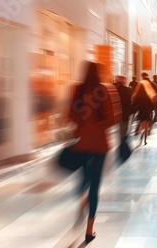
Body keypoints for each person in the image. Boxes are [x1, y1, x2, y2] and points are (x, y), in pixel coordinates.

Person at [67, 61, 116, 244]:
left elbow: (69, 117)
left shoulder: (77, 90)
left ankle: (82, 201)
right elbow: (112, 119)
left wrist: (81, 126)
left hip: (80, 145)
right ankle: (89, 229)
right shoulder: (105, 90)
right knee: (95, 185)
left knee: (84, 179)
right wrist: (98, 125)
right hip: (100, 146)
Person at [132, 73, 157, 145]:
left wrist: (134, 110)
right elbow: (153, 102)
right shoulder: (149, 93)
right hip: (147, 111)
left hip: (141, 110)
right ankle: (145, 139)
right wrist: (152, 109)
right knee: (146, 124)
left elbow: (135, 102)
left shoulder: (138, 94)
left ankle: (138, 131)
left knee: (141, 122)